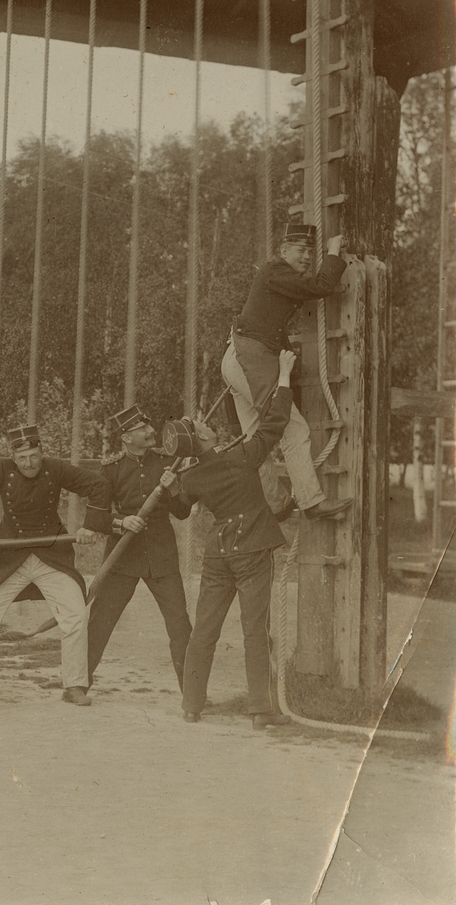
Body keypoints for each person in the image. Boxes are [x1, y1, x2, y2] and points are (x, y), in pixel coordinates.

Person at [161, 349, 297, 729]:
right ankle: (261, 711)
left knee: (205, 630)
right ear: (203, 438)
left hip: (217, 556)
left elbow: (181, 511)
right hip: (252, 549)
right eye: (199, 425)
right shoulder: (241, 456)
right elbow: (275, 422)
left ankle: (191, 706)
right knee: (255, 631)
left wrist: (171, 489)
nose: (204, 423)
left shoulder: (191, 477)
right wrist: (284, 375)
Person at [0, 424, 104, 708]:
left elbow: (98, 485)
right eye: (22, 458)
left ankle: (74, 686)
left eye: (34, 456)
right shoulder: (2, 470)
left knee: (75, 616)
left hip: (52, 556)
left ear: (41, 452)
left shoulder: (55, 468)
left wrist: (90, 526)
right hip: (12, 557)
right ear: (13, 457)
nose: (29, 463)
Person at [221, 222, 351, 520]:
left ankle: (275, 504)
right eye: (301, 250)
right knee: (294, 429)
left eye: (310, 252)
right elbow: (320, 286)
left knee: (255, 439)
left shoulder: (277, 275)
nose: (307, 257)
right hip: (249, 361)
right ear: (283, 251)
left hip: (238, 359)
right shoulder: (276, 271)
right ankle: (311, 502)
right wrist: (333, 251)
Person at [77, 404, 192, 691]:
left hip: (161, 556)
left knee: (180, 625)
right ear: (126, 438)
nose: (151, 431)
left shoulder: (168, 463)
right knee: (100, 622)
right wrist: (121, 522)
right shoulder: (111, 469)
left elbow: (182, 513)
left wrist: (174, 488)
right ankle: (78, 684)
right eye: (143, 429)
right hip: (123, 556)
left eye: (149, 426)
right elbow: (96, 517)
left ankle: (191, 691)